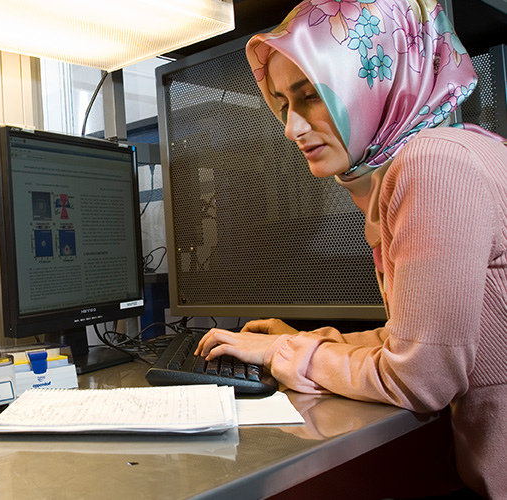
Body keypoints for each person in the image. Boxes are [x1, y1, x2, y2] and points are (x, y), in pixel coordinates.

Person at [195, 1, 507, 498]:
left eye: (311, 96)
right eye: (282, 104)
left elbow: (420, 380)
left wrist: (279, 353)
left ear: (374, 75)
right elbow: (425, 341)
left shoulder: (431, 167)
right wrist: (313, 338)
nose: (291, 129)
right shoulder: (465, 147)